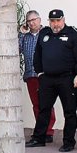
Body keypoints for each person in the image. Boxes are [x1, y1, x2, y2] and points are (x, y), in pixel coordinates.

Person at [26, 9, 77, 152]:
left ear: (63, 20)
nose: (55, 24)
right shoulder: (44, 33)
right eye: (52, 21)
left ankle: (68, 142)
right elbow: (37, 55)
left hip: (67, 79)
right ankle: (39, 138)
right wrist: (40, 73)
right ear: (48, 22)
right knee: (43, 109)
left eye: (58, 20)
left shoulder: (72, 33)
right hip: (47, 78)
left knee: (70, 111)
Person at [19, 10, 56, 144]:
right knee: (36, 104)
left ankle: (48, 131)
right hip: (31, 74)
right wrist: (21, 34)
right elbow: (16, 50)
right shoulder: (25, 36)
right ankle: (41, 129)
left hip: (45, 74)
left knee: (47, 104)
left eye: (34, 19)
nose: (32, 23)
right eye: (29, 21)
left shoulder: (47, 33)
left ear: (40, 20)